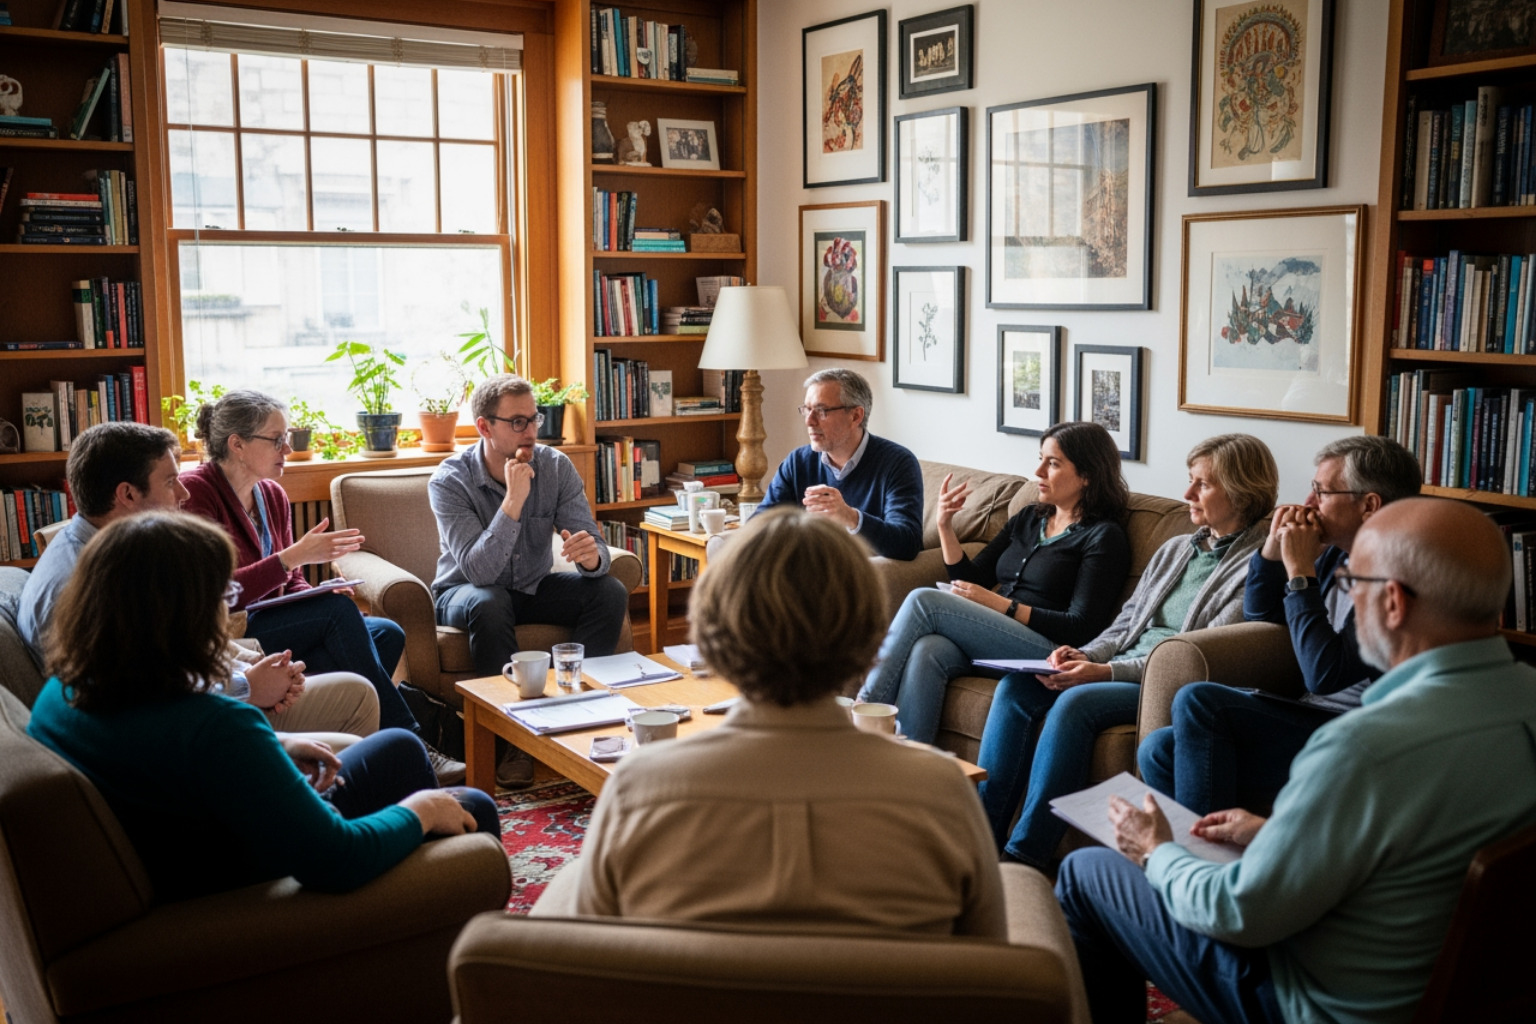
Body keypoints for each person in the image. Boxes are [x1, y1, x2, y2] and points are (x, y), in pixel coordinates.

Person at [1058, 498, 1536, 1024]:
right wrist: (1277, 833)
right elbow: (1420, 847)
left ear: (1394, 603)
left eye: (1354, 582)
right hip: (1465, 992)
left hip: (1317, 1004)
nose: (1349, 594)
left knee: (1086, 871)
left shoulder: (1363, 748)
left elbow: (1238, 914)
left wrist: (1155, 852)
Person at [534, 509, 1005, 936]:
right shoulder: (942, 791)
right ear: (868, 636)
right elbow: (986, 964)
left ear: (714, 630)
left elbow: (591, 960)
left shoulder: (640, 786)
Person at [25, 511, 502, 903]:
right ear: (183, 615)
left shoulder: (66, 690)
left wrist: (276, 744)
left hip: (203, 837)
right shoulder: (216, 724)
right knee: (470, 805)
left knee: (398, 746)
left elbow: (167, 753)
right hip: (243, 877)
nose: (228, 609)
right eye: (223, 595)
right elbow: (336, 859)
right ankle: (438, 909)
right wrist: (420, 811)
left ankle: (428, 905)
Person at [977, 434, 1278, 863]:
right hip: (1117, 666)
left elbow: (1200, 656)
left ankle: (1025, 855)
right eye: (1189, 481)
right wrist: (1087, 654)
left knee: (1074, 702)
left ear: (1243, 493)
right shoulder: (1177, 548)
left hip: (1164, 681)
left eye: (1202, 485)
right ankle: (981, 836)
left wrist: (1106, 673)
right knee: (1017, 688)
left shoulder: (1256, 567)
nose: (1187, 494)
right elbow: (1125, 622)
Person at [18, 421, 378, 742]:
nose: (183, 495)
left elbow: (166, 649)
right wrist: (247, 686)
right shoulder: (86, 585)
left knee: (371, 637)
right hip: (179, 731)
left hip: (204, 689)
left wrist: (251, 667)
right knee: (359, 692)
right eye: (170, 481)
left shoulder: (111, 552)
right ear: (127, 494)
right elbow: (143, 699)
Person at [179, 391, 459, 781]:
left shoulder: (271, 494)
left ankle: (347, 748)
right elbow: (216, 596)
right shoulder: (196, 495)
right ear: (237, 444)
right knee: (340, 617)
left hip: (269, 622)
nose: (288, 448)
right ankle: (412, 743)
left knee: (386, 633)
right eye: (276, 439)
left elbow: (289, 581)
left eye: (287, 436)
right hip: (231, 631)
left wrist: (313, 592)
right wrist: (292, 559)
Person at [1140, 436, 1422, 814]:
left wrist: (1301, 573)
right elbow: (1263, 618)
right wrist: (1272, 555)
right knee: (1158, 750)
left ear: (1369, 505)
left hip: (1357, 735)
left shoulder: (1397, 575)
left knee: (1198, 700)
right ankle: (1215, 853)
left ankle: (1203, 860)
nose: (1307, 505)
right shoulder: (1336, 553)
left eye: (1321, 493)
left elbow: (1324, 674)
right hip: (1310, 717)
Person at [859, 421, 1132, 744]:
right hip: (997, 639)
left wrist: (1001, 604)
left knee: (923, 600)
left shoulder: (1104, 537)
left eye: (1053, 463)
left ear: (1087, 475)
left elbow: (1081, 626)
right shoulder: (1030, 517)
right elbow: (971, 581)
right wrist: (945, 526)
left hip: (1048, 650)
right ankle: (911, 764)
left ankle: (862, 710)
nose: (1038, 471)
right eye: (1041, 458)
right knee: (928, 649)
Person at [431, 374, 628, 787]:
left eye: (534, 419)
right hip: (463, 592)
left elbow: (591, 541)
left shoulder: (555, 466)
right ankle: (511, 742)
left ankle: (575, 712)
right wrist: (513, 500)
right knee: (489, 601)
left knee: (608, 591)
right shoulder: (449, 481)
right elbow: (479, 571)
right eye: (518, 422)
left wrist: (593, 557)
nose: (532, 431)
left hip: (533, 586)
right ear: (485, 427)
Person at [757, 368, 923, 561]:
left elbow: (907, 544)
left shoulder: (898, 463)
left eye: (820, 411)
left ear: (855, 416)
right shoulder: (798, 461)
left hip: (856, 573)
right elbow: (761, 523)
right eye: (806, 410)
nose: (809, 421)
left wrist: (850, 517)